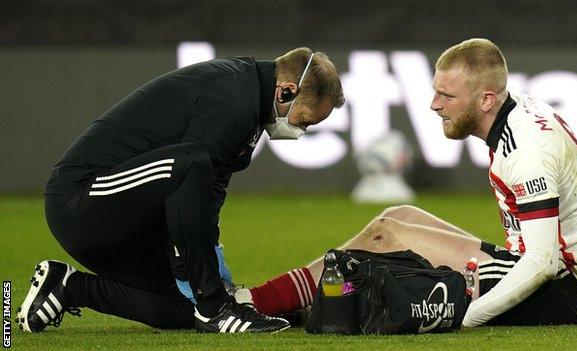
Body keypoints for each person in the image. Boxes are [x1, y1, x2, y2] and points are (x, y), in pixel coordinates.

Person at [238, 38, 577, 327]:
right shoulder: (518, 114)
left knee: (386, 234)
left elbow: (542, 261)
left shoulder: (527, 152)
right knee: (401, 215)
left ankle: (257, 303)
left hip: (557, 288)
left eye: (446, 95)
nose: (434, 104)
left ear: (486, 99)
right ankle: (299, 303)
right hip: (538, 265)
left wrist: (470, 316)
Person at [16, 47, 345, 333]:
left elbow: (208, 197)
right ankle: (215, 308)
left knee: (184, 310)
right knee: (191, 165)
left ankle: (68, 287)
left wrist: (213, 270)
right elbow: (190, 179)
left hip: (123, 216)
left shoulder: (249, 108)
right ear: (285, 92)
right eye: (305, 121)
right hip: (79, 201)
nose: (301, 131)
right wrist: (211, 291)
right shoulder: (232, 96)